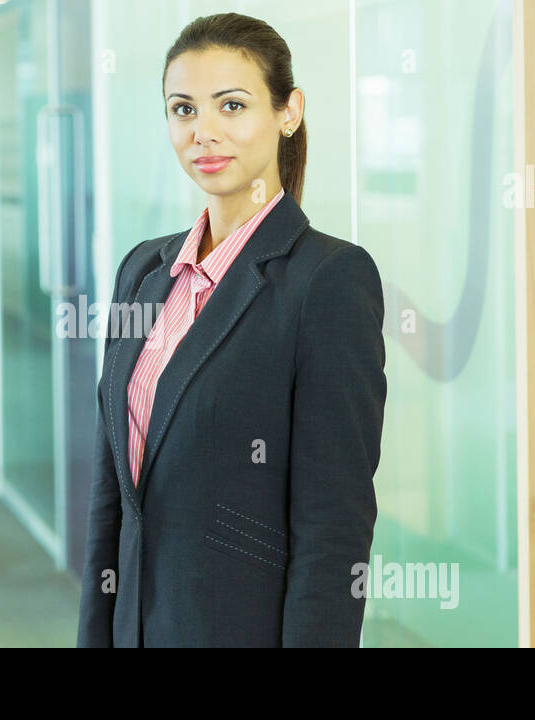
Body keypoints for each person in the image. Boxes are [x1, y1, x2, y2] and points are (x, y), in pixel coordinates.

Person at [76, 12, 387, 647]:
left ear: (288, 112)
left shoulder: (328, 281)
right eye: (183, 109)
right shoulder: (142, 271)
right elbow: (112, 500)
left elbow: (333, 533)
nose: (204, 132)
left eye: (232, 106)